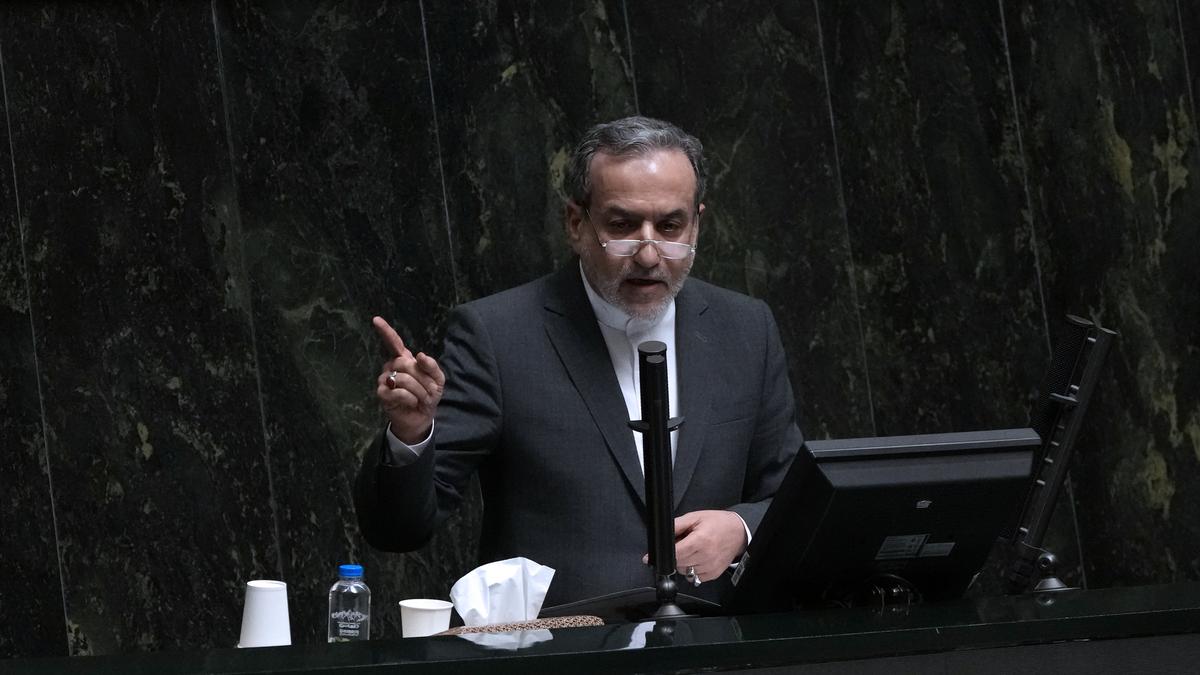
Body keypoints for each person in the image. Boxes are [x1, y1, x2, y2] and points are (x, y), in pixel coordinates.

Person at [355, 116, 802, 608]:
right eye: (622, 226)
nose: (648, 254)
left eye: (670, 227)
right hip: (560, 642)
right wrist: (411, 434)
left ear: (697, 224)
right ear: (576, 223)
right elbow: (399, 530)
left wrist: (740, 528)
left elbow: (792, 495)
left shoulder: (746, 329)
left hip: (715, 641)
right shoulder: (499, 336)